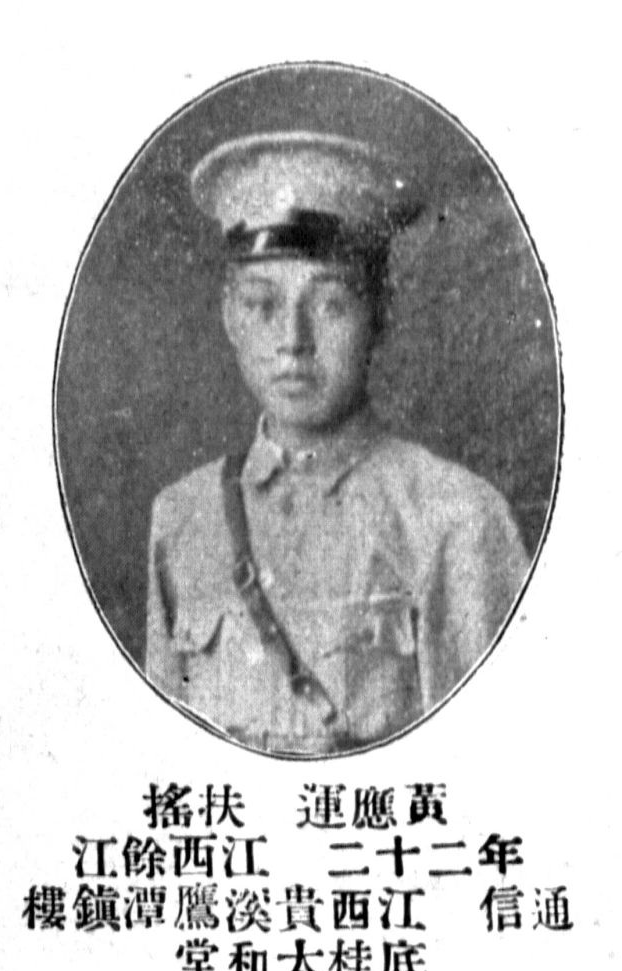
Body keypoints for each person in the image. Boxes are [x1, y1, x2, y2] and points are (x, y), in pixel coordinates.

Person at [146, 131, 530, 755]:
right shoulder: (182, 519)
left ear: (380, 312)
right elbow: (163, 760)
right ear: (229, 316)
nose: (293, 340)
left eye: (329, 305)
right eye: (262, 304)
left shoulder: (455, 519)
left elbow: (485, 767)